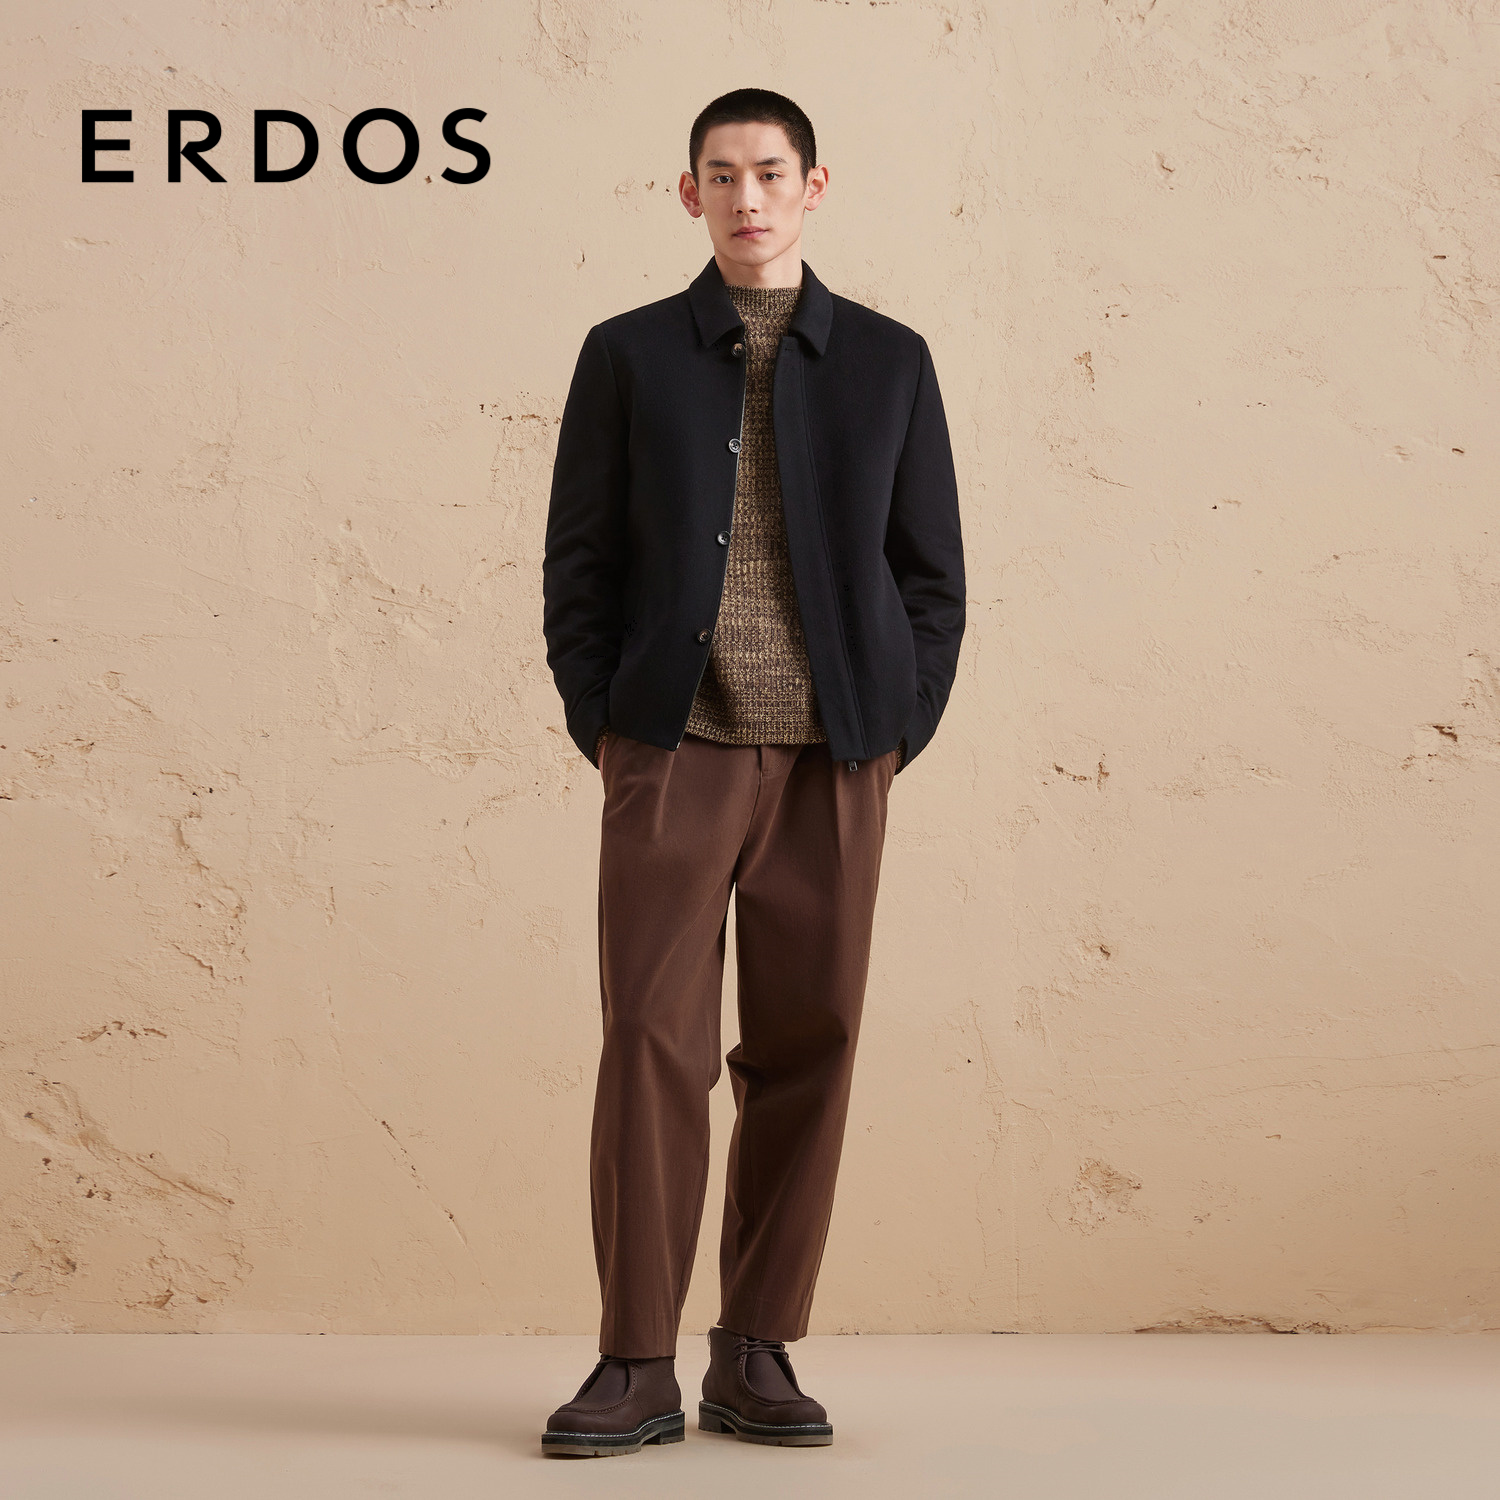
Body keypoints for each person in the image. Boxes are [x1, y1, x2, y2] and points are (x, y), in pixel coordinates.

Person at [539, 87, 965, 1458]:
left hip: (837, 756)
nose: (747, 198)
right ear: (690, 195)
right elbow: (579, 562)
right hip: (672, 747)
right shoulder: (627, 355)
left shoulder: (891, 361)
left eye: (770, 173)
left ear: (813, 186)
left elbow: (932, 578)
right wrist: (608, 722)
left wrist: (894, 726)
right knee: (648, 1046)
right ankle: (634, 1361)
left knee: (810, 1042)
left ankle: (757, 1348)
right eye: (720, 176)